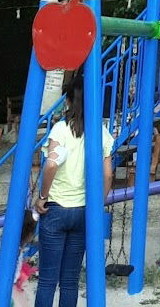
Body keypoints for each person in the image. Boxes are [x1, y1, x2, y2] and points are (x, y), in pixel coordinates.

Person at [34, 75, 113, 307]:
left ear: (68, 101)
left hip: (56, 209)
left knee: (47, 280)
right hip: (83, 210)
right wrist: (98, 205)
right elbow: (107, 175)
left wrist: (42, 197)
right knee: (70, 280)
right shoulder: (100, 131)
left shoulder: (60, 129)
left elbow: (50, 164)